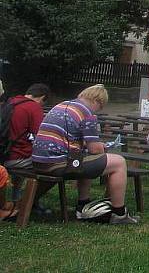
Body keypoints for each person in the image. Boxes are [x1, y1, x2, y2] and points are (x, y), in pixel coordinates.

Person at [32, 84, 139, 224]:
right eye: (100, 108)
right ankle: (119, 213)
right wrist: (102, 146)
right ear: (97, 101)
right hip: (57, 163)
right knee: (119, 162)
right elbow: (94, 149)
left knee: (86, 158)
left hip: (40, 160)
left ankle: (83, 204)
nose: (98, 111)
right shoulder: (87, 113)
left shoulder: (62, 105)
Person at [3, 83, 50, 209]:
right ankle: (29, 202)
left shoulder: (10, 102)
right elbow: (40, 135)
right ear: (42, 98)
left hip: (3, 156)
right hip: (15, 159)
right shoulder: (33, 107)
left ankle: (15, 196)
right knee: (50, 165)